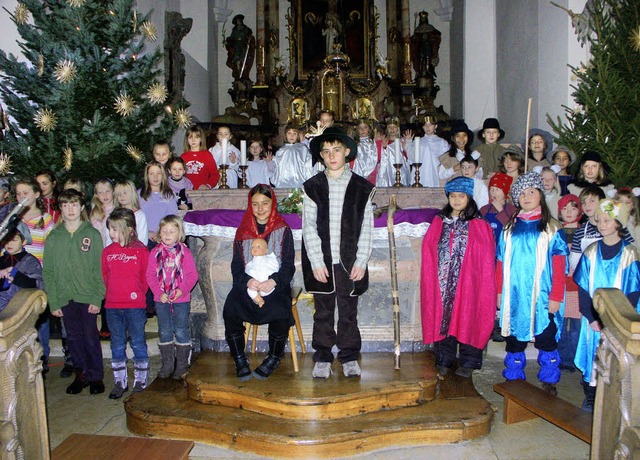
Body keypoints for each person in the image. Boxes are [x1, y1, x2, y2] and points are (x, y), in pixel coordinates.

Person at [303, 126, 375, 378]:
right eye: (326, 152)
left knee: (348, 311)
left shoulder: (361, 187)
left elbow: (367, 227)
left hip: (349, 262)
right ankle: (323, 355)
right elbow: (308, 227)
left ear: (347, 151)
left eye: (336, 150)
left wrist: (362, 260)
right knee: (323, 311)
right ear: (321, 156)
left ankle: (348, 355)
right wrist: (316, 261)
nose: (331, 155)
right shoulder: (313, 187)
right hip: (323, 262)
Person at [497, 171, 569, 396]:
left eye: (532, 192)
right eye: (522, 193)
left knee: (546, 337)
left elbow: (559, 265)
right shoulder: (509, 228)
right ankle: (514, 375)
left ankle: (549, 378)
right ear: (516, 198)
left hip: (543, 296)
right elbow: (500, 262)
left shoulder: (552, 228)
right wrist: (499, 292)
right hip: (515, 295)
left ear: (540, 195)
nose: (527, 197)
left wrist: (556, 296)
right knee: (515, 338)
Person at [420, 177, 496, 378]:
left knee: (469, 316)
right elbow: (429, 248)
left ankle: (469, 361)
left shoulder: (479, 225)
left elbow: (486, 257)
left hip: (469, 283)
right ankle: (444, 358)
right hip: (442, 283)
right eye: (452, 196)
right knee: (443, 319)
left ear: (469, 198)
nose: (456, 200)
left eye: (461, 196)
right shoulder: (439, 221)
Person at [573, 199, 640, 412]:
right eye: (599, 220)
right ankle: (591, 395)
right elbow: (583, 288)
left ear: (618, 223)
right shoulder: (591, 251)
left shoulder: (630, 254)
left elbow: (634, 291)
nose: (602, 225)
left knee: (616, 359)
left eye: (607, 220)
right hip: (594, 321)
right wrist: (592, 317)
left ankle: (616, 400)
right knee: (592, 354)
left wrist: (616, 320)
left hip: (619, 321)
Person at [223, 184, 295, 381]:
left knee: (281, 308)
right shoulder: (243, 231)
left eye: (265, 203)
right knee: (231, 307)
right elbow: (236, 266)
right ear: (250, 205)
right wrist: (247, 282)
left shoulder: (283, 230)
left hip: (274, 285)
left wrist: (274, 282)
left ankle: (274, 357)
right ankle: (239, 358)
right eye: (255, 204)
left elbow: (288, 265)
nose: (260, 208)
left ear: (272, 204)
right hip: (250, 285)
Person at [43, 189, 105, 395]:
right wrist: (54, 301)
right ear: (60, 208)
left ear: (81, 207)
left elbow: (99, 268)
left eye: (74, 204)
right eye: (66, 205)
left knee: (89, 336)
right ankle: (82, 374)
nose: (70, 209)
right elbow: (49, 271)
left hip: (87, 296)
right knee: (74, 338)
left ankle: (96, 375)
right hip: (64, 297)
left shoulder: (92, 234)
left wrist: (97, 297)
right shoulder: (54, 237)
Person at [102, 208, 149, 399]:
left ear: (130, 229)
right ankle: (120, 381)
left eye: (116, 229)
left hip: (134, 305)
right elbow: (106, 276)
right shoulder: (107, 252)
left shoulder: (141, 251)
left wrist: (136, 295)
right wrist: (114, 294)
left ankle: (140, 379)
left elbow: (145, 278)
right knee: (117, 344)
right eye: (110, 229)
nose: (112, 233)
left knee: (137, 342)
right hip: (113, 305)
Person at [146, 215, 198, 380]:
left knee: (181, 329)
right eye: (164, 231)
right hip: (161, 299)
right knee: (164, 330)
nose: (168, 234)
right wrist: (158, 292)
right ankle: (167, 363)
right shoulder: (154, 253)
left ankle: (182, 364)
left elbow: (192, 275)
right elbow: (150, 275)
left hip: (181, 300)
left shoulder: (185, 253)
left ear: (179, 233)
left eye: (172, 231)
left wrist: (181, 290)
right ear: (159, 233)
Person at [16, 178, 54, 372]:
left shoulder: (45, 219)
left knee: (40, 319)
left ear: (36, 194)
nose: (22, 197)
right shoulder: (14, 220)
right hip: (16, 276)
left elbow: (52, 248)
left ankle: (42, 357)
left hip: (38, 275)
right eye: (18, 194)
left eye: (26, 193)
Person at [556, 194, 583, 373]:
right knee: (559, 325)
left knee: (575, 327)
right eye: (565, 208)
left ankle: (572, 359)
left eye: (573, 208)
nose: (569, 212)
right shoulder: (557, 232)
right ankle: (559, 358)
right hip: (559, 286)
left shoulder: (585, 232)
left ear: (579, 211)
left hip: (577, 287)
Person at [0, 221, 43, 313]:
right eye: (6, 239)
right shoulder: (1, 259)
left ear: (24, 241)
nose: (9, 243)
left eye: (14, 240)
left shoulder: (30, 261)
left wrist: (14, 274)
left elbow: (38, 284)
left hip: (15, 306)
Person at [139, 161, 180, 246]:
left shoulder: (169, 195)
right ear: (147, 176)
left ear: (163, 175)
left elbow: (173, 217)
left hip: (165, 236)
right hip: (144, 236)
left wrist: (161, 233)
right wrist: (147, 232)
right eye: (151, 174)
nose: (155, 177)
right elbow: (135, 218)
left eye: (158, 173)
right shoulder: (139, 195)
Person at [479, 172, 517, 245]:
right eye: (491, 189)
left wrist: (501, 211)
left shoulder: (512, 209)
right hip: (487, 247)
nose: (493, 193)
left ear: (505, 191)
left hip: (505, 247)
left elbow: (513, 231)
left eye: (497, 190)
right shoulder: (484, 209)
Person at [272, 124, 313, 188]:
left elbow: (308, 163)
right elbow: (276, 165)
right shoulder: (281, 150)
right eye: (289, 133)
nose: (292, 136)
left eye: (294, 133)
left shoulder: (303, 148)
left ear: (298, 135)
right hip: (283, 181)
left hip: (300, 180)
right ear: (285, 135)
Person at [375, 118, 411, 187]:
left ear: (398, 129)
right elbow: (379, 157)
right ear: (387, 129)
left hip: (401, 170)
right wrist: (383, 147)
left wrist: (406, 147)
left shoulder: (402, 141)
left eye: (394, 127)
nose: (392, 129)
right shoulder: (384, 141)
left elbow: (408, 158)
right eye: (390, 127)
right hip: (387, 170)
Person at [244, 238, 280, 308]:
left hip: (267, 283)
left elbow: (275, 267)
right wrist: (249, 279)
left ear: (266, 250)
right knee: (250, 290)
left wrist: (272, 280)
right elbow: (248, 269)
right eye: (253, 247)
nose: (255, 249)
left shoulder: (270, 259)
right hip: (255, 283)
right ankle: (258, 299)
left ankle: (262, 296)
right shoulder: (252, 262)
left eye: (258, 246)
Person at [416, 116, 449, 187]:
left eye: (430, 125)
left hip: (436, 174)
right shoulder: (418, 142)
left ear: (435, 126)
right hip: (421, 173)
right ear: (422, 127)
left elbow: (446, 162)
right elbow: (412, 158)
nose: (428, 127)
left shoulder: (442, 143)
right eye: (425, 125)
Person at [113, 181, 149, 246]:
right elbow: (110, 237)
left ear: (132, 194)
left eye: (125, 193)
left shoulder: (139, 215)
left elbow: (143, 239)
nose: (122, 196)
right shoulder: (114, 215)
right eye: (119, 194)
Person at [225, 14, 255, 80]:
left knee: (244, 57)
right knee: (236, 57)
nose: (238, 22)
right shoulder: (234, 30)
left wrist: (248, 38)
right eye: (237, 21)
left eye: (239, 20)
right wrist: (228, 40)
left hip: (243, 44)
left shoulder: (246, 29)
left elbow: (249, 35)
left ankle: (243, 69)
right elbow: (232, 37)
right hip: (236, 45)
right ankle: (238, 68)